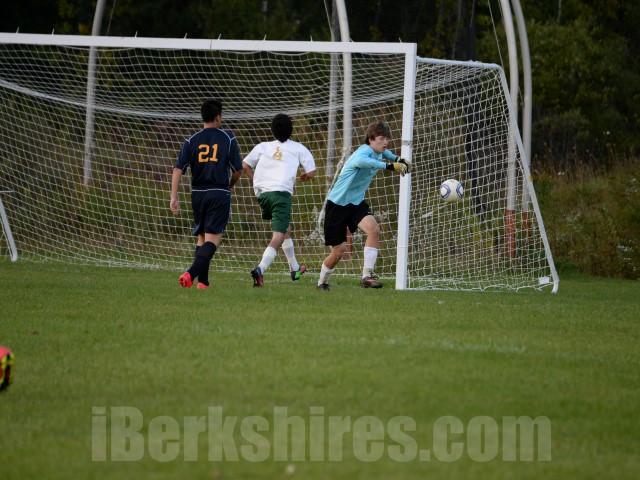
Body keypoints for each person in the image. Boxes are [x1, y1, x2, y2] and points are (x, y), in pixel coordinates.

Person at [317, 121, 410, 290]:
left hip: (356, 203)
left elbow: (386, 153)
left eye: (386, 138)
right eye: (381, 138)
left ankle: (367, 276)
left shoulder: (378, 151)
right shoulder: (362, 154)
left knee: (374, 230)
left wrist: (398, 159)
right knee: (339, 251)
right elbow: (365, 162)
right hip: (337, 205)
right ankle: (322, 282)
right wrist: (389, 166)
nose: (386, 142)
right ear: (371, 139)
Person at [170, 98, 243, 289]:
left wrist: (173, 197)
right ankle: (190, 274)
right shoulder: (227, 138)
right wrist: (230, 185)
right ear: (218, 117)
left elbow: (178, 169)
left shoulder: (192, 140)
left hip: (197, 194)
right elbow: (238, 170)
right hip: (218, 192)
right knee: (213, 240)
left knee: (202, 237)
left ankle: (203, 283)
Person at [243, 113, 316, 287]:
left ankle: (295, 268)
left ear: (272, 130)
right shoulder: (298, 148)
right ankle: (260, 269)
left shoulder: (263, 146)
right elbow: (311, 171)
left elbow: (245, 165)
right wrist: (305, 176)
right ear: (291, 130)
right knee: (278, 235)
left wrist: (256, 180)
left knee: (285, 228)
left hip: (262, 195)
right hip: (281, 196)